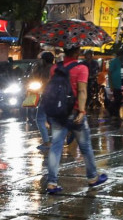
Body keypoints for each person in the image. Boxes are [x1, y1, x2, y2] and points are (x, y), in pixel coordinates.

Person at [45, 45, 108, 194]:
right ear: (77, 52)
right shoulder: (81, 68)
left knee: (55, 147)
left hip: (58, 112)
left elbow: (50, 90)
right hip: (74, 112)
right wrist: (82, 111)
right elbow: (82, 91)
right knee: (85, 147)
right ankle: (92, 177)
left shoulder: (55, 68)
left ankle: (51, 183)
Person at [33, 51, 56, 151]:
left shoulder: (45, 70)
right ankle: (54, 141)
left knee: (40, 119)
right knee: (51, 120)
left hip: (47, 97)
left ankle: (47, 142)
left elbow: (35, 77)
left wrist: (38, 65)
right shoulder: (56, 68)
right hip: (56, 97)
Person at [107, 49, 123, 118]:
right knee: (117, 98)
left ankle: (115, 112)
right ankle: (112, 110)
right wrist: (111, 84)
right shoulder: (114, 61)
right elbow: (109, 72)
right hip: (115, 83)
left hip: (118, 83)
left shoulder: (120, 62)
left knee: (118, 98)